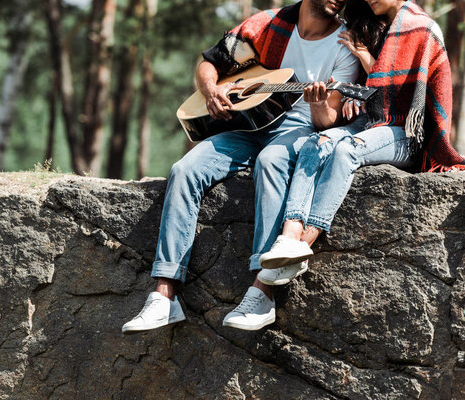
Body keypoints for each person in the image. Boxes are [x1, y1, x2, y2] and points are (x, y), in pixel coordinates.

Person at [122, 0, 361, 334]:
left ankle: (262, 293)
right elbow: (210, 61)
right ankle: (164, 295)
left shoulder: (345, 44)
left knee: (271, 161)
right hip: (245, 124)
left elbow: (328, 122)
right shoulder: (268, 25)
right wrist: (211, 89)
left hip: (298, 128)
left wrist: (319, 104)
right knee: (185, 169)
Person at [257, 0, 465, 274]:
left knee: (346, 150)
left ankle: (304, 245)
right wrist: (356, 101)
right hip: (372, 125)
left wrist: (368, 62)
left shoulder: (421, 28)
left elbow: (404, 103)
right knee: (315, 142)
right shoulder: (370, 27)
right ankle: (288, 237)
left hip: (407, 134)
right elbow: (373, 96)